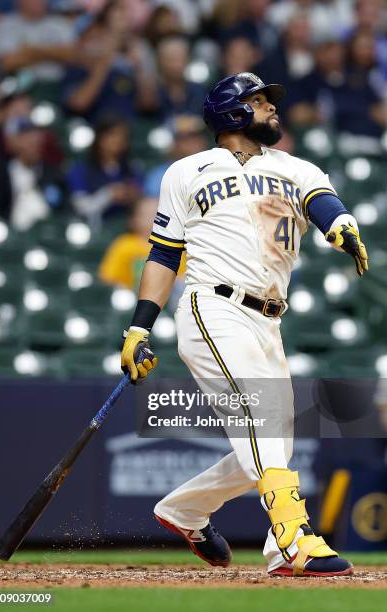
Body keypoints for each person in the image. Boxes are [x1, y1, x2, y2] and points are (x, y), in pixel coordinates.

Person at [120, 72, 369, 577]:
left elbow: (324, 203)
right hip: (213, 306)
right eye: (258, 102)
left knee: (272, 440)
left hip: (269, 319)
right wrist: (139, 327)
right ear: (231, 111)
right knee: (260, 421)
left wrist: (341, 225)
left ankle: (184, 511)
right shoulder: (186, 171)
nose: (272, 109)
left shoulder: (296, 168)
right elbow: (165, 255)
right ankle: (294, 538)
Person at [0, 115, 66, 230]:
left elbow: (64, 209)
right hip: (11, 237)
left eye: (35, 136)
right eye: (25, 137)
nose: (33, 141)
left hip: (49, 234)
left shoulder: (53, 173)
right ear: (11, 142)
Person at [98, 196, 185, 293]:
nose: (154, 218)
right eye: (147, 214)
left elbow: (182, 279)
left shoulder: (177, 247)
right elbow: (109, 279)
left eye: (159, 214)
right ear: (134, 219)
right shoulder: (124, 245)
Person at [67, 115, 141, 227]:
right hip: (92, 230)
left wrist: (134, 197)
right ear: (100, 138)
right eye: (112, 135)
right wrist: (109, 194)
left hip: (126, 230)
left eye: (123, 136)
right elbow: (82, 208)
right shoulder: (81, 170)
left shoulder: (132, 169)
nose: (118, 140)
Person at [143, 114, 208, 198]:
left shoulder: (216, 169)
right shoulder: (160, 176)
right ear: (174, 143)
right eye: (187, 138)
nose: (195, 142)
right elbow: (151, 207)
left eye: (198, 136)